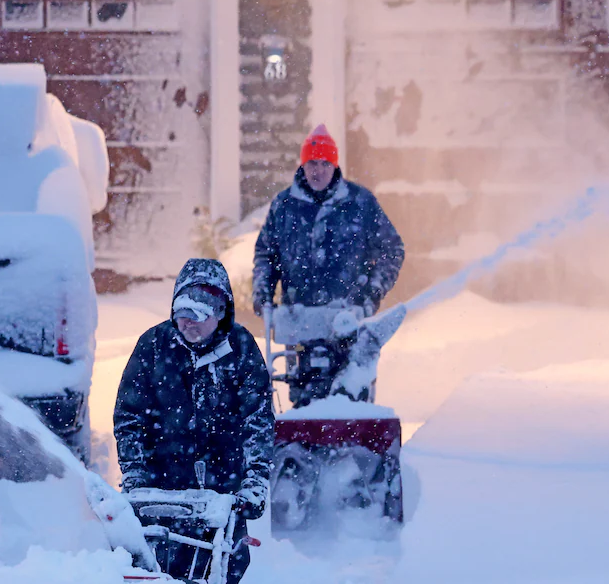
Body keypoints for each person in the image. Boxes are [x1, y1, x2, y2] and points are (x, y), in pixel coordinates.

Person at [114, 258, 274, 584]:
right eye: (182, 313)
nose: (188, 323)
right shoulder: (153, 347)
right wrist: (135, 473)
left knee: (224, 569)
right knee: (159, 571)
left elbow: (257, 421)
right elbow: (129, 416)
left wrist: (254, 481)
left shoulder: (241, 349)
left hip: (223, 493)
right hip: (162, 493)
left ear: (221, 312)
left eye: (199, 315)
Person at [252, 124, 405, 407]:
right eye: (312, 163)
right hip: (299, 321)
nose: (318, 171)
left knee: (351, 398)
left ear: (335, 166)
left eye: (325, 163)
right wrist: (263, 294)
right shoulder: (284, 206)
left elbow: (392, 249)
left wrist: (372, 293)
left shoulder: (360, 203)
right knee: (304, 403)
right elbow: (265, 254)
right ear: (303, 165)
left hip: (349, 319)